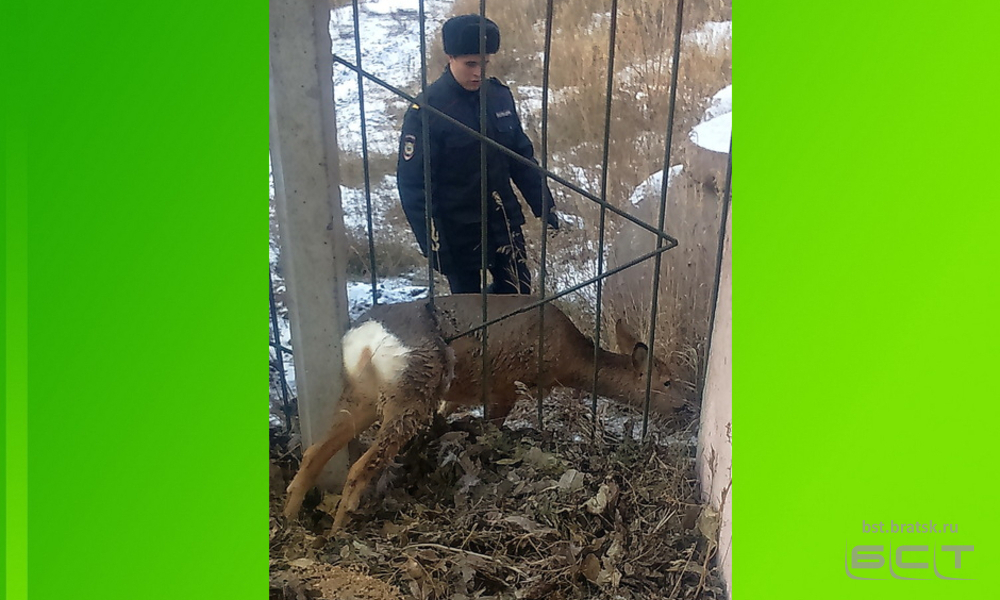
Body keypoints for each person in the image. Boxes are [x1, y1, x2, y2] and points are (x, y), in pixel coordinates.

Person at [397, 14, 558, 295]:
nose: (478, 73)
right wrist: (433, 243)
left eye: (484, 64)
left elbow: (521, 158)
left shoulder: (498, 97)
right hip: (457, 231)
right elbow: (414, 185)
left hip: (503, 221)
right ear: (450, 57)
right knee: (468, 308)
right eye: (470, 64)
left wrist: (544, 204)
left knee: (519, 295)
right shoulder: (428, 110)